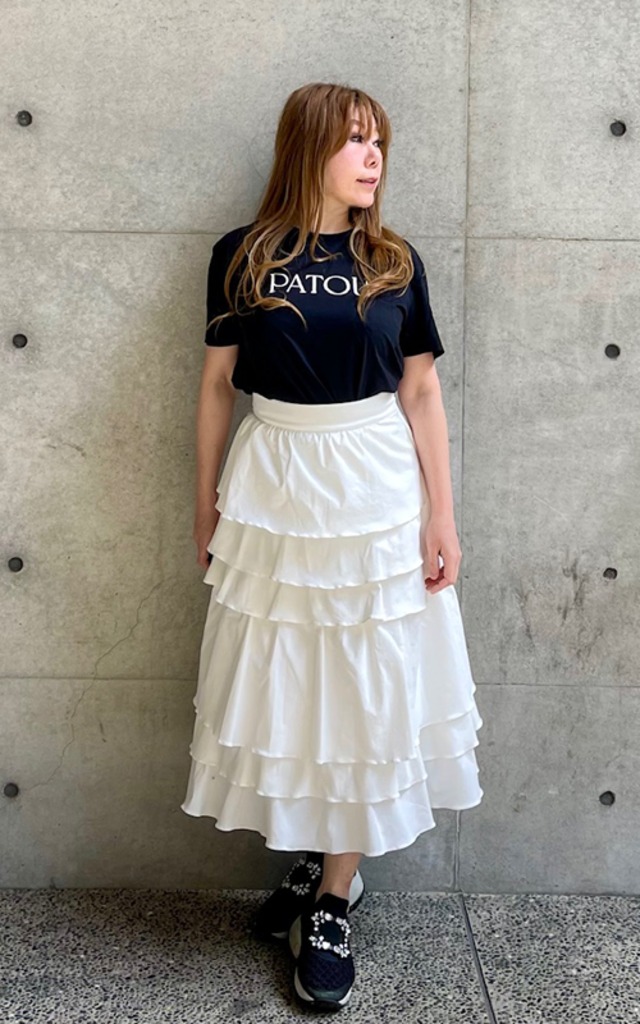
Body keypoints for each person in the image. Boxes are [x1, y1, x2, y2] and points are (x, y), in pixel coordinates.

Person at [181, 82, 483, 1012]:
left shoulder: (393, 260)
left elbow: (420, 391)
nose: (373, 155)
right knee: (294, 676)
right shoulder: (244, 255)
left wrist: (442, 515)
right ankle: (321, 858)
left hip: (375, 489)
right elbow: (217, 386)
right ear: (308, 147)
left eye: (379, 139)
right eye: (355, 139)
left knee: (365, 679)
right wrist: (205, 504)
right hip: (274, 485)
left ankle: (335, 897)